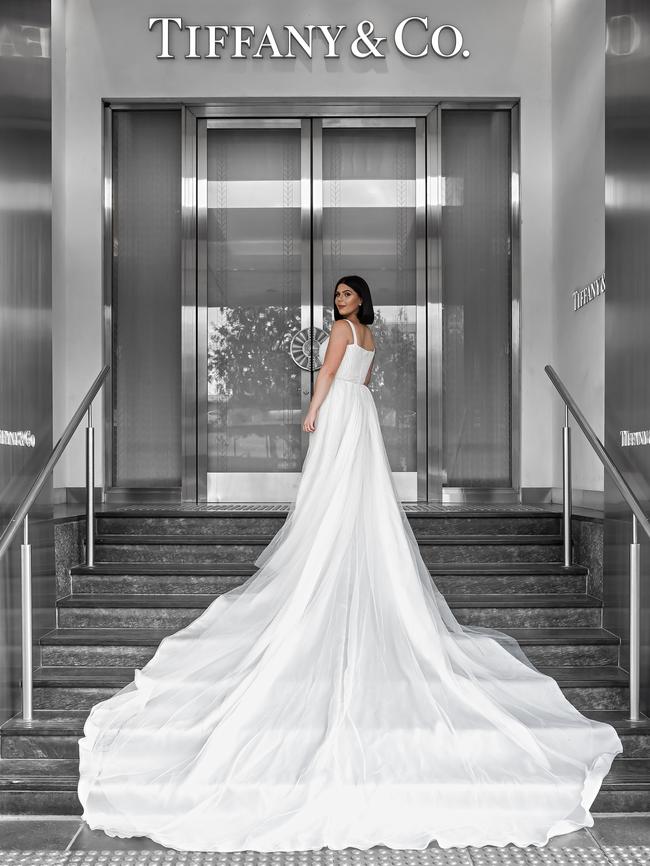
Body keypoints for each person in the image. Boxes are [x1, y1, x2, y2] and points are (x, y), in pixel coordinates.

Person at [78, 275, 623, 853]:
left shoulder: (343, 331)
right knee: (356, 499)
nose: (339, 302)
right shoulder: (370, 334)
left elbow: (328, 375)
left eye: (345, 293)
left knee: (329, 497)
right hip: (361, 416)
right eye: (337, 295)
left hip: (342, 410)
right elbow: (359, 377)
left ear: (358, 299)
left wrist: (311, 414)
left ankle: (324, 561)